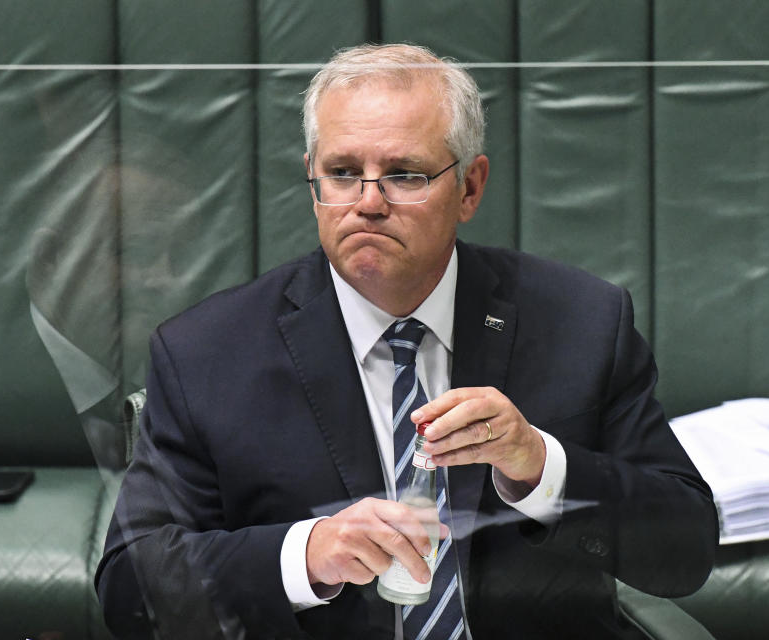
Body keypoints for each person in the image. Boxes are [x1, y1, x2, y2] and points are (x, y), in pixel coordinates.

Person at [96, 43, 717, 640]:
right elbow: (130, 585)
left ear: (469, 189)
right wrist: (304, 556)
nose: (368, 202)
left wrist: (541, 466)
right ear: (313, 183)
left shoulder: (582, 322)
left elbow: (685, 550)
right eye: (343, 173)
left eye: (404, 175)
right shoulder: (206, 353)